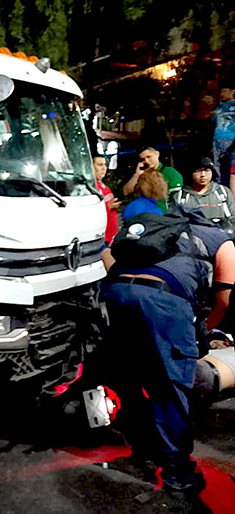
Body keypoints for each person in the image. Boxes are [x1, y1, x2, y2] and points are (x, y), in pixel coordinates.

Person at [101, 210, 235, 493]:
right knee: (171, 388)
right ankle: (178, 473)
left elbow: (107, 255)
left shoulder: (160, 231)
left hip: (115, 291)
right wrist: (204, 330)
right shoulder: (223, 241)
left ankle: (143, 447)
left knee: (133, 374)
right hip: (163, 301)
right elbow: (224, 300)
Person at [175, 156, 235, 233]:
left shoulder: (223, 192)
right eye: (198, 171)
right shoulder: (180, 197)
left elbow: (233, 218)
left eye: (207, 170)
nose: (203, 175)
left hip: (222, 237)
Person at [93, 155, 120, 244]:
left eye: (105, 165)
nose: (104, 168)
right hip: (100, 237)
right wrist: (108, 207)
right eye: (100, 165)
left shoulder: (104, 186)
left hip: (110, 236)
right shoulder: (90, 188)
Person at [212, 82, 235, 185]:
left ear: (232, 91)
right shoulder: (218, 107)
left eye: (225, 91)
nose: (222, 93)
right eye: (221, 91)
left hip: (232, 140)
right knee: (216, 167)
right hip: (217, 140)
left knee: (232, 168)